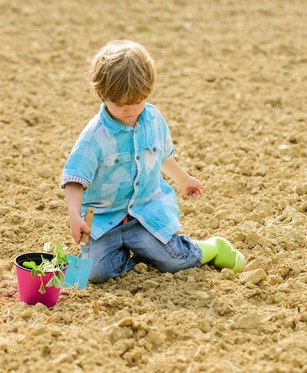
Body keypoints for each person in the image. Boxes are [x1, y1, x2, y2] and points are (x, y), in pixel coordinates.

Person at [61, 40, 245, 283]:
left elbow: (161, 155)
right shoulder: (94, 137)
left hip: (143, 215)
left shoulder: (153, 119)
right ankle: (132, 256)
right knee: (95, 273)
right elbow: (75, 180)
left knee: (175, 260)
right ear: (103, 95)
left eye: (137, 101)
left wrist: (183, 179)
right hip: (105, 220)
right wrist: (75, 215)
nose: (130, 110)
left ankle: (214, 247)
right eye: (120, 104)